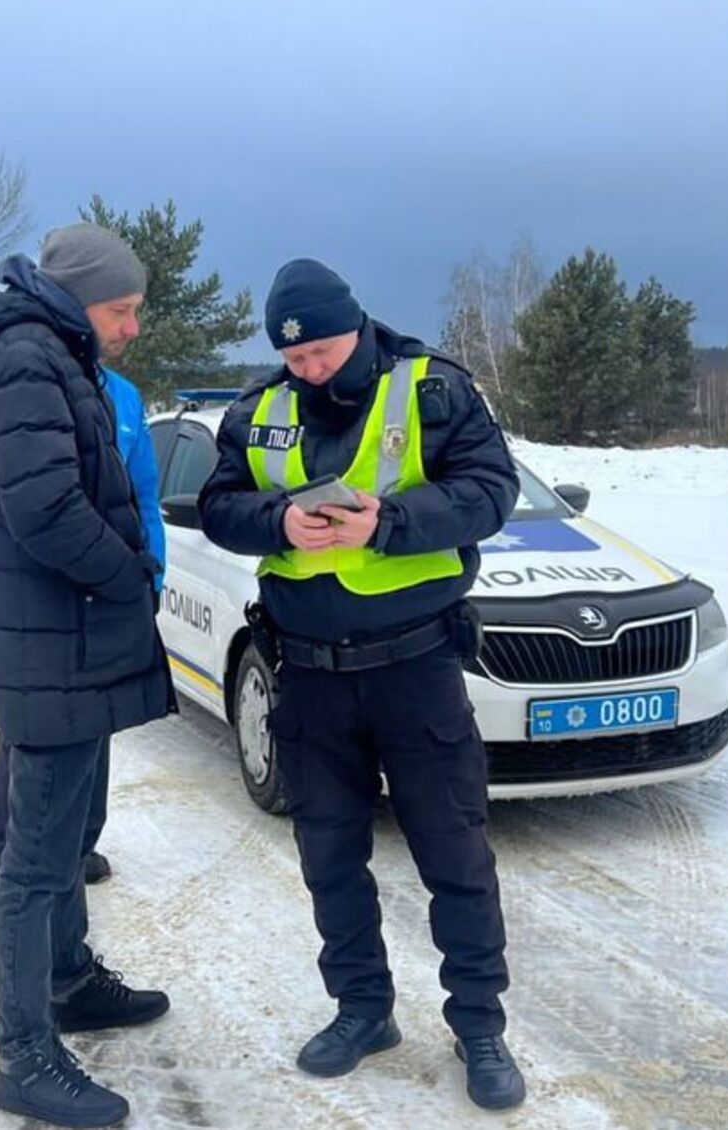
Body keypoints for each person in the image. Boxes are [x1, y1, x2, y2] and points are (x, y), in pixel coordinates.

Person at [196, 259, 525, 1110]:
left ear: (357, 327)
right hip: (306, 675)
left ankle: (480, 1024)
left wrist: (391, 523)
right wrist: (277, 520)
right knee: (329, 856)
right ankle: (362, 1009)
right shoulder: (259, 410)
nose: (311, 371)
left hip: (414, 667)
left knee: (454, 851)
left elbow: (492, 492)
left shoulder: (434, 389)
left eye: (325, 354)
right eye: (295, 358)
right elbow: (218, 505)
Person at [0, 223, 173, 1128]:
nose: (132, 327)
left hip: (68, 644)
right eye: (123, 310)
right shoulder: (26, 361)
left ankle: (70, 981)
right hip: (54, 644)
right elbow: (45, 509)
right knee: (34, 866)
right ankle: (25, 1057)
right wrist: (130, 573)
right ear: (78, 299)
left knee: (68, 836)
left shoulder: (46, 353)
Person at [0, 362, 164, 922]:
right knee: (28, 736)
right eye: (118, 312)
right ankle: (2, 861)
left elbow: (143, 490)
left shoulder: (122, 394)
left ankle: (76, 845)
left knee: (95, 724)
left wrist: (154, 574)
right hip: (32, 601)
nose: (129, 329)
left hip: (109, 593)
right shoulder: (24, 383)